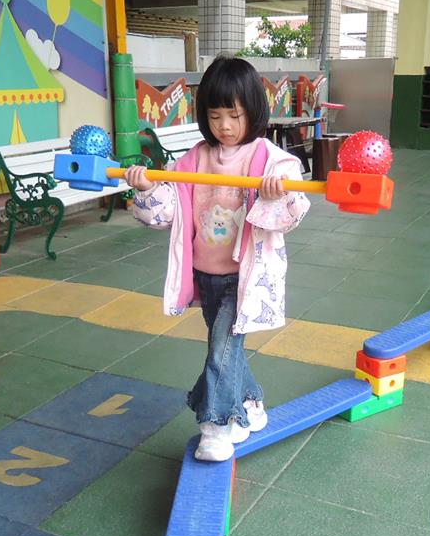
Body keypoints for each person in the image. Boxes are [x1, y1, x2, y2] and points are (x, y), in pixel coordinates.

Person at [126, 56, 310, 461]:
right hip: (205, 274)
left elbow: (293, 213)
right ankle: (251, 403)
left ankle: (217, 426)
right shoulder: (194, 160)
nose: (224, 125)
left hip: (243, 279)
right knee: (227, 350)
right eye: (214, 116)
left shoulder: (269, 160)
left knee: (220, 351)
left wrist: (276, 194)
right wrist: (146, 189)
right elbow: (165, 213)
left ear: (253, 112)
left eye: (234, 115)